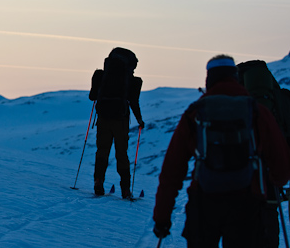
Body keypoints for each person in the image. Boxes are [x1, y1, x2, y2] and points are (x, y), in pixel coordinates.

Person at [152, 55, 290, 248]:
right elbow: (281, 167)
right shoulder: (258, 111)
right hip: (247, 202)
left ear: (209, 79)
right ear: (236, 77)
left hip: (203, 203)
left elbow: (171, 171)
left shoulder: (195, 112)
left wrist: (162, 218)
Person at [89, 47, 145, 198]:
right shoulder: (134, 81)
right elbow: (134, 102)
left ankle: (98, 181)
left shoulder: (101, 75)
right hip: (120, 120)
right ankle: (125, 189)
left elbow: (92, 96)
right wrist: (139, 120)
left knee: (102, 150)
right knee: (122, 154)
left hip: (103, 117)